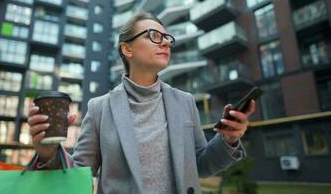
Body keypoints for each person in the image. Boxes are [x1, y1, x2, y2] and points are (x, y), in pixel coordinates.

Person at [27, 11, 256, 194]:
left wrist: (228, 138)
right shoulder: (100, 109)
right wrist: (48, 152)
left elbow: (201, 165)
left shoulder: (184, 102)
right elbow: (80, 174)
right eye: (154, 36)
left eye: (167, 38)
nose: (165, 43)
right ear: (127, 48)